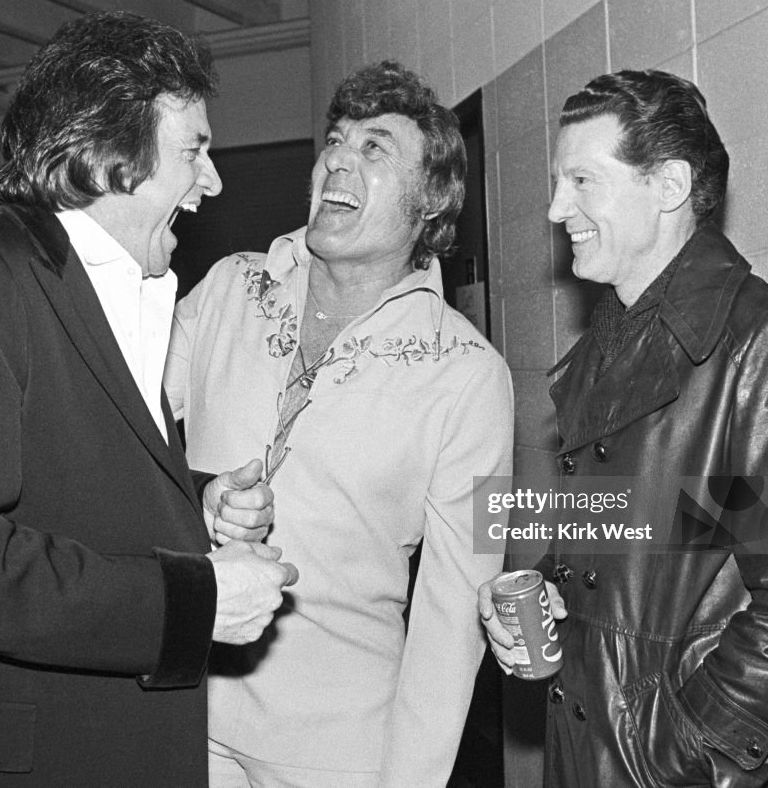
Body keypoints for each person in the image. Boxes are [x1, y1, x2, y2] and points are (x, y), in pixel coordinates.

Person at [0, 11, 298, 786]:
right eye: (195, 149)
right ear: (109, 152)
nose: (213, 181)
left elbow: (58, 492)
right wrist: (189, 602)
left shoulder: (125, 290)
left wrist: (192, 506)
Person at [478, 69, 768, 786]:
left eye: (582, 181)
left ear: (668, 187)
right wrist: (541, 590)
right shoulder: (607, 349)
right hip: (591, 754)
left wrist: (682, 753)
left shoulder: (767, 341)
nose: (555, 207)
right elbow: (642, 547)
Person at [165, 60, 514, 787]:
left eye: (374, 147)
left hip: (339, 751)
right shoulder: (230, 285)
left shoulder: (469, 373)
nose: (338, 158)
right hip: (179, 713)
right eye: (335, 139)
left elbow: (455, 612)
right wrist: (199, 495)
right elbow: (132, 448)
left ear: (431, 201)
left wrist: (410, 779)